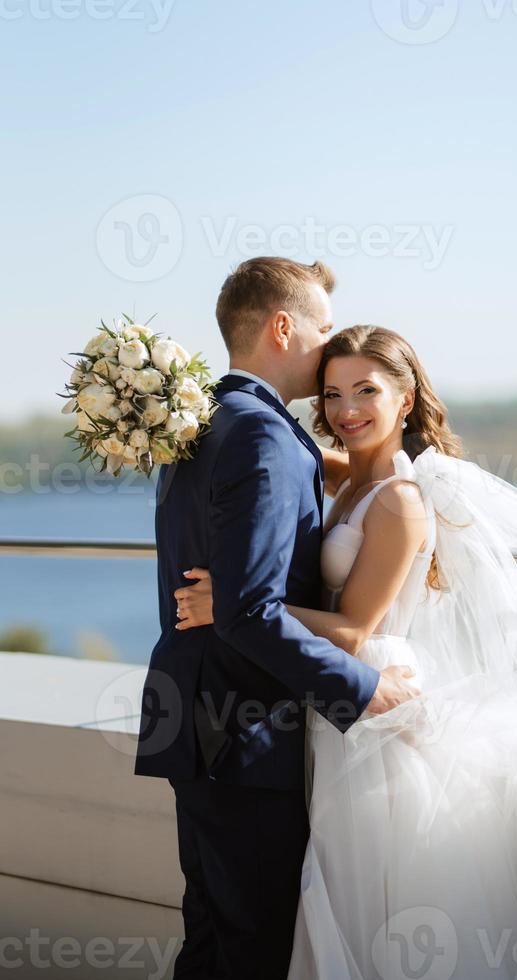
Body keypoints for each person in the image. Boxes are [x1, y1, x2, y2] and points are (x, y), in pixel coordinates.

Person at [177, 323, 517, 980]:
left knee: (372, 896)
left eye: (366, 391)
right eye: (334, 392)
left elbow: (353, 626)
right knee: (335, 888)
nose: (346, 411)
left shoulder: (400, 501)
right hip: (333, 708)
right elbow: (276, 458)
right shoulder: (348, 477)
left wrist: (230, 604)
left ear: (405, 398)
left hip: (376, 707)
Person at [134, 260, 421, 980]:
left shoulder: (207, 418)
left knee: (210, 937)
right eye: (323, 329)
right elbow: (251, 614)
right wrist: (359, 688)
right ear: (284, 327)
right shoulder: (262, 434)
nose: (328, 344)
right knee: (254, 948)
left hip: (193, 716)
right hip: (242, 731)